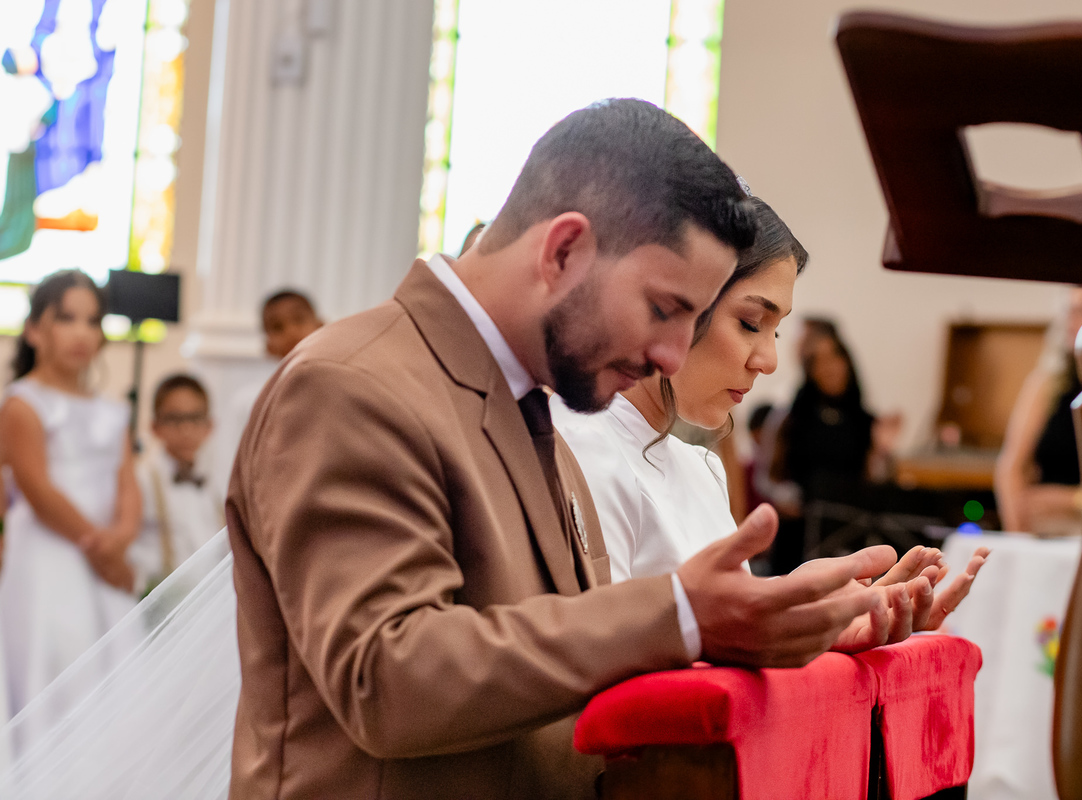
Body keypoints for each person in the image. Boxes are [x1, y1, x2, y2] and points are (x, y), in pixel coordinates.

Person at [225, 98, 897, 799]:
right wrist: (681, 612)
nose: (673, 355)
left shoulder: (534, 406)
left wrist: (782, 633)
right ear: (564, 251)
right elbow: (384, 681)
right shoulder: (353, 384)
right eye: (664, 308)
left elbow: (572, 662)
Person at [552, 196, 987, 637]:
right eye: (750, 322)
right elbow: (599, 651)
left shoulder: (700, 468)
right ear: (674, 303)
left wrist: (802, 610)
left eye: (775, 332)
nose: (769, 361)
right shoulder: (583, 449)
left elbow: (722, 625)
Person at [0, 269, 139, 733]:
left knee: (112, 667)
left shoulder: (112, 410)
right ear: (34, 330)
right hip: (49, 554)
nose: (82, 333)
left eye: (92, 321)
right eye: (66, 318)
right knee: (57, 660)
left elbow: (128, 485)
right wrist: (101, 549)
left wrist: (122, 537)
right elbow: (39, 491)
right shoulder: (22, 403)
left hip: (104, 555)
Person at [757, 318, 902, 572]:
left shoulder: (865, 422)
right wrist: (784, 496)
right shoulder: (790, 418)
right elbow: (766, 477)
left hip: (846, 535)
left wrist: (882, 450)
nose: (829, 368)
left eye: (835, 357)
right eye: (818, 361)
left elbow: (877, 483)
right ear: (809, 370)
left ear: (847, 362)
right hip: (798, 535)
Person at [994, 287, 1082, 536]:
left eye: (1081, 311)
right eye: (1067, 312)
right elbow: (1010, 469)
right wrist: (1019, 540)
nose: (1070, 321)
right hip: (1047, 530)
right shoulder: (1047, 384)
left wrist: (1073, 500)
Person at [211, 289, 323, 495]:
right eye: (277, 327)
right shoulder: (248, 401)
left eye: (299, 320)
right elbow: (228, 466)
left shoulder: (339, 391)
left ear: (321, 326)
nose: (291, 331)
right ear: (267, 345)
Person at [126, 374, 224, 597]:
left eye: (195, 418)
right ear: (155, 426)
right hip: (163, 599)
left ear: (209, 426)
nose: (186, 430)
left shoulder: (219, 481)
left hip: (213, 597)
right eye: (174, 419)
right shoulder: (141, 480)